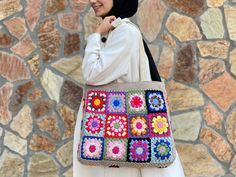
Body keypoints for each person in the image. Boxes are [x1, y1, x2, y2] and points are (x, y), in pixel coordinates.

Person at [73, 0, 186, 177]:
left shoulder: (125, 32)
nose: (92, 0)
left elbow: (92, 74)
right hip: (116, 136)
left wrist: (95, 35)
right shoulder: (116, 31)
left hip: (119, 136)